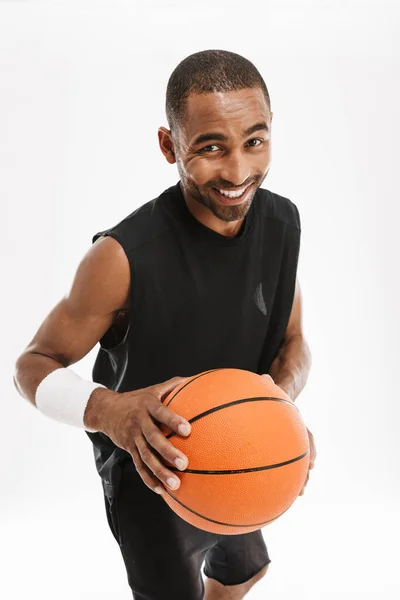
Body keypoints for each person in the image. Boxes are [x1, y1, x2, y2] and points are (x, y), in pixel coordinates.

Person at [14, 49, 316, 600]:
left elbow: (293, 341)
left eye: (255, 140)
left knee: (243, 571)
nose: (238, 171)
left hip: (239, 450)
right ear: (168, 145)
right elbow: (32, 364)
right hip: (151, 470)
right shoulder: (121, 256)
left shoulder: (281, 222)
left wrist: (280, 410)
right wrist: (110, 411)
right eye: (210, 147)